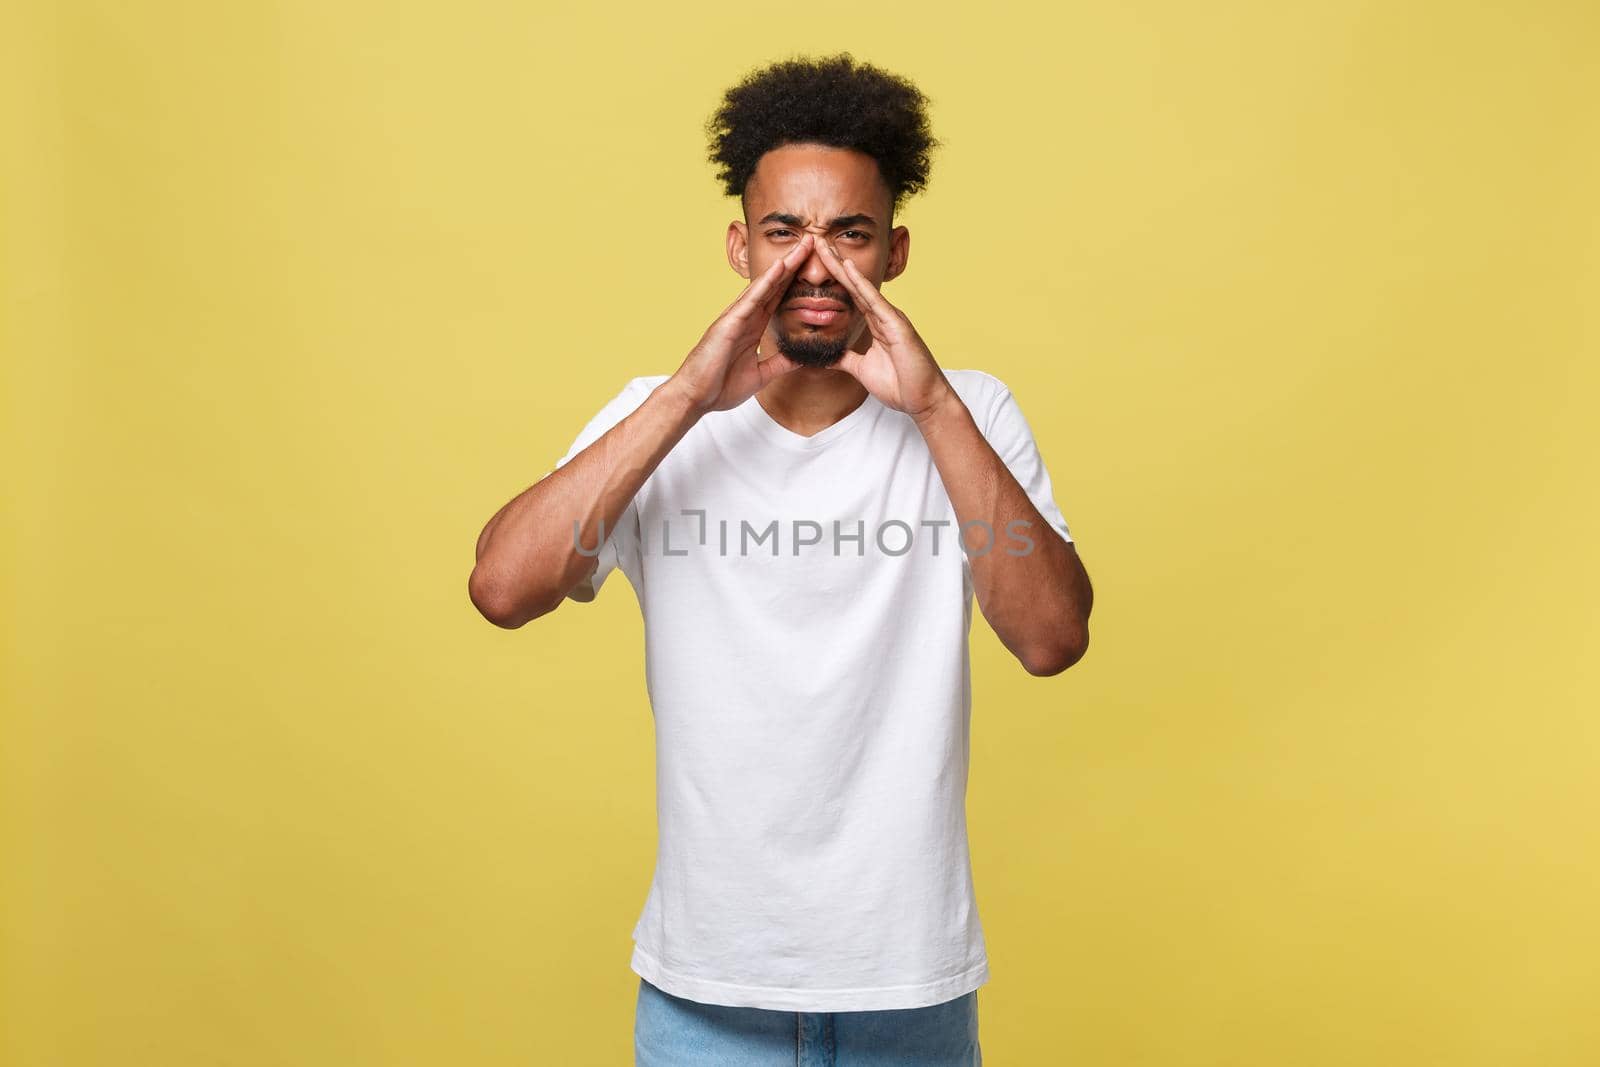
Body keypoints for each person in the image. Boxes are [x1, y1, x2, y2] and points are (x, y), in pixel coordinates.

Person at [469, 52, 1093, 1066]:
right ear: (736, 245)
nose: (815, 263)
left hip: (908, 986)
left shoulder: (969, 413)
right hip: (706, 987)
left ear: (892, 252)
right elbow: (502, 588)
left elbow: (1050, 638)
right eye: (783, 232)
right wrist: (682, 398)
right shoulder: (656, 415)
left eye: (848, 232)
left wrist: (934, 408)